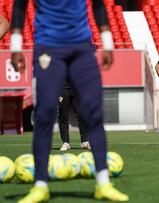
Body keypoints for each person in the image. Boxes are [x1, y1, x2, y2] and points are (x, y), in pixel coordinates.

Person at [11, 0, 129, 202]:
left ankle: (103, 183)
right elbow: (19, 5)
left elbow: (99, 4)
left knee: (93, 113)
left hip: (82, 49)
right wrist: (15, 46)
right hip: (48, 48)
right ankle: (40, 186)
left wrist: (107, 42)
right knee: (45, 113)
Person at [58, 80, 91, 151]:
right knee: (63, 116)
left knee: (82, 114)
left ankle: (84, 141)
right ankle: (65, 142)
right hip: (62, 88)